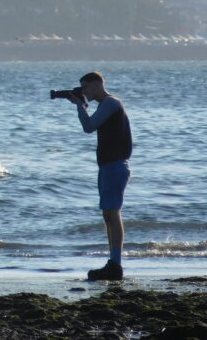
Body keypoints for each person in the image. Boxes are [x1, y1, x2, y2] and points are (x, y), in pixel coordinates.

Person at [67, 71, 132, 281]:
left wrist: (79, 106)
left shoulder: (111, 103)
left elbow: (88, 127)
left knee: (112, 214)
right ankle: (113, 263)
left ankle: (116, 264)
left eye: (85, 87)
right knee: (108, 215)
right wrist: (82, 106)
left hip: (115, 166)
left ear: (96, 84)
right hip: (108, 166)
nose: (84, 91)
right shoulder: (105, 105)